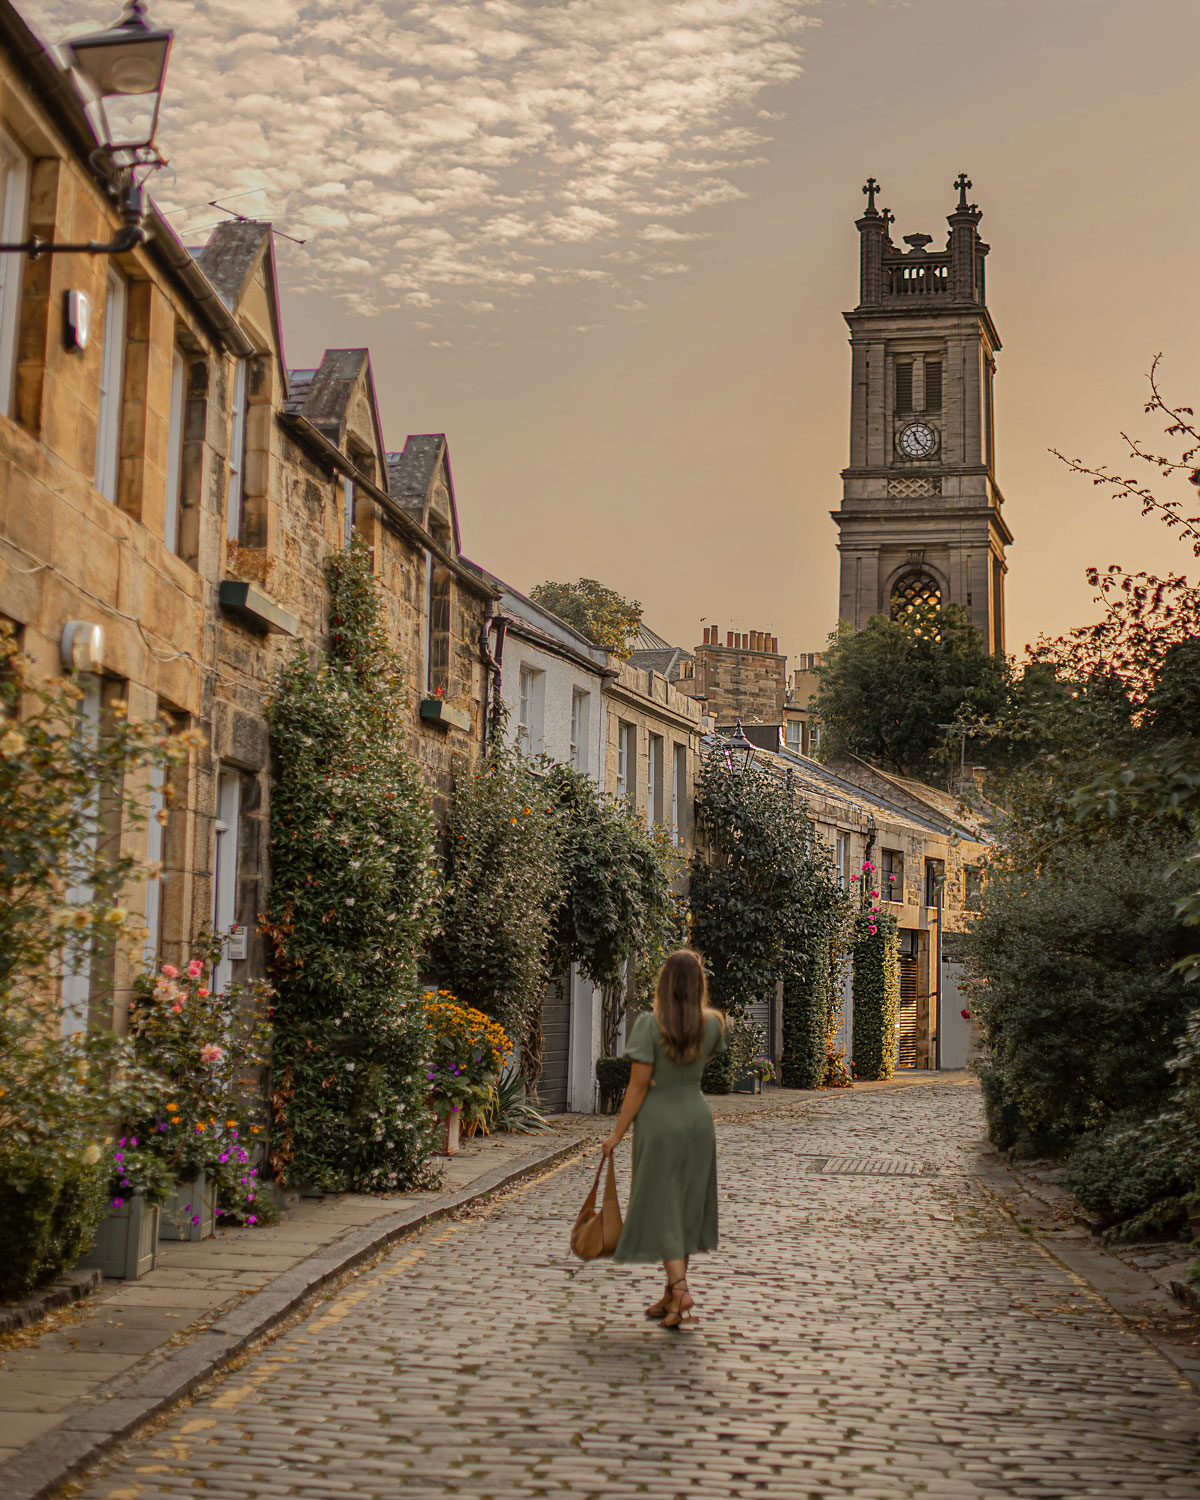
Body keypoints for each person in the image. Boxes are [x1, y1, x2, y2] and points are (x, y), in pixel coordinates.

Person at [600, 948, 728, 1330]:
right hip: (697, 1117)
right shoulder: (715, 1024)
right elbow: (698, 1062)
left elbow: (637, 1087)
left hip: (659, 1120)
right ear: (699, 983)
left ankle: (680, 1286)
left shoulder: (649, 1025)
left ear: (665, 983)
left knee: (662, 1205)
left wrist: (616, 1135)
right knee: (686, 1206)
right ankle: (671, 1299)